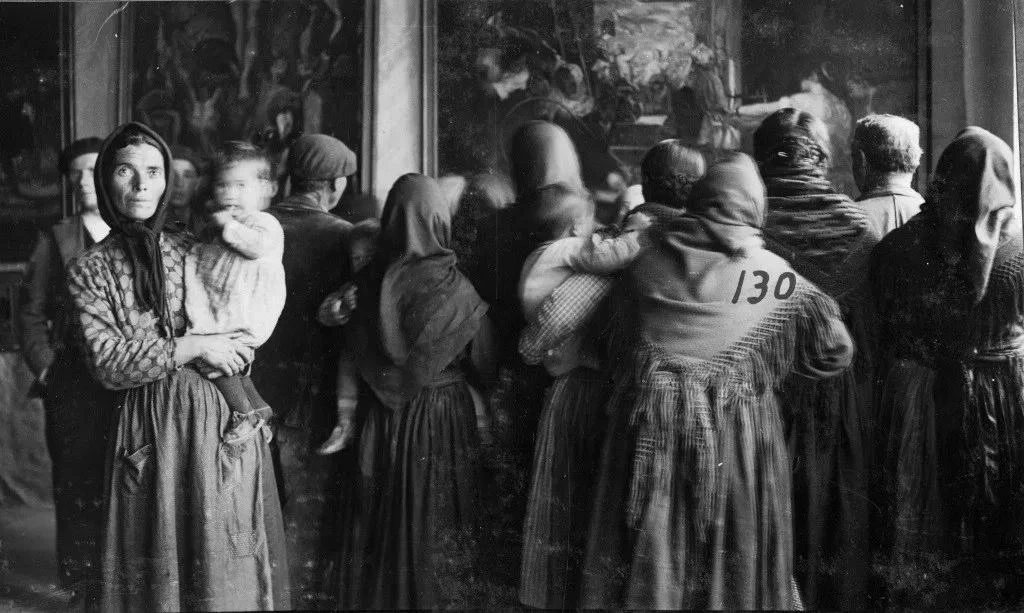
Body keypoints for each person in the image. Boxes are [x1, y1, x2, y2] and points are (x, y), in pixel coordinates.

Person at [581, 153, 854, 609]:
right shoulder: (771, 276)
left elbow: (612, 341)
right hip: (738, 437)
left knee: (649, 557)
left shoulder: (644, 263)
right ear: (753, 208)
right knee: (734, 561)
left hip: (647, 434)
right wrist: (765, 370)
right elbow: (836, 349)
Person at [66, 121, 289, 611]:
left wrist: (235, 342)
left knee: (224, 561)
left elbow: (242, 303)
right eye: (126, 171)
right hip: (148, 427)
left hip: (217, 421)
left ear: (168, 179)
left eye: (153, 171)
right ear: (107, 180)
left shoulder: (194, 246)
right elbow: (108, 362)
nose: (142, 185)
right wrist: (191, 346)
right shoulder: (90, 270)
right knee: (157, 566)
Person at [871, 127, 1023, 608]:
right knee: (996, 521)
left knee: (929, 521)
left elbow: (887, 329)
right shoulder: (1019, 254)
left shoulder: (898, 249)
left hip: (925, 399)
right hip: (1005, 398)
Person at [341, 174, 489, 608]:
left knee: (380, 528)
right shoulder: (459, 289)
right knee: (436, 525)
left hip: (380, 420)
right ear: (440, 221)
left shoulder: (365, 286)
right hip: (442, 420)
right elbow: (483, 361)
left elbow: (351, 350)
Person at [754, 107, 880, 609]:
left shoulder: (746, 227)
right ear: (822, 160)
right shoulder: (858, 230)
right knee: (833, 523)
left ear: (763, 160)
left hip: (759, 397)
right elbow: (867, 340)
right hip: (836, 398)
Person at [516, 182, 643, 609]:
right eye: (591, 224)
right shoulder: (565, 252)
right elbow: (607, 255)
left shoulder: (538, 257)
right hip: (576, 375)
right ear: (573, 227)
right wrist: (644, 232)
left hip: (561, 377)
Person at [252, 132, 355, 607]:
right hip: (309, 395)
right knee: (304, 514)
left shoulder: (257, 225)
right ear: (333, 185)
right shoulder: (342, 235)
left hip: (248, 389)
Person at [18, 137, 114, 605]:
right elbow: (30, 312)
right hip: (73, 383)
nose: (81, 181)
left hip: (131, 381)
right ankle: (81, 587)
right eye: (73, 173)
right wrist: (49, 370)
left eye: (91, 169)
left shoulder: (138, 232)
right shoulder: (56, 239)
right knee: (76, 484)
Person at [183, 141, 284, 446]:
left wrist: (227, 226)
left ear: (266, 189)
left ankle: (244, 414)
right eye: (222, 185)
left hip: (246, 309)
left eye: (240, 185)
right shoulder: (223, 227)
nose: (229, 194)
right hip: (227, 305)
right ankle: (260, 409)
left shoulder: (264, 223)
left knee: (218, 363)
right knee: (237, 369)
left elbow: (255, 247)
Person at [852, 114, 925, 236]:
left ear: (861, 159)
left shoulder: (848, 221)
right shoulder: (936, 218)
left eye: (853, 156)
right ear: (915, 159)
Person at [168, 144, 207, 229]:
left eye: (187, 176)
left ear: (198, 183)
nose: (179, 184)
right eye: (173, 175)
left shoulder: (206, 223)